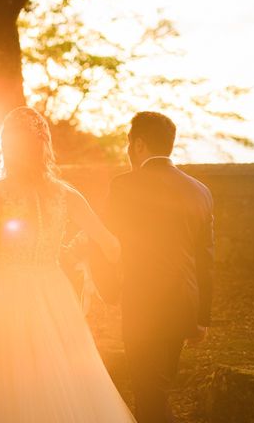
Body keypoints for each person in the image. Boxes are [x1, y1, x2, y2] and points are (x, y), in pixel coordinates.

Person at [0, 106, 136, 423]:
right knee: (65, 375)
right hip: (55, 292)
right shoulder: (66, 194)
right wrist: (82, 255)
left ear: (5, 145)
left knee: (12, 378)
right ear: (44, 146)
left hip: (7, 296)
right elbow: (111, 245)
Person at [104, 111, 214, 422]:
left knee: (147, 390)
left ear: (138, 145)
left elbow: (109, 242)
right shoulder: (200, 190)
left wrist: (108, 291)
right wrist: (201, 317)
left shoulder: (124, 186)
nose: (127, 151)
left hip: (142, 305)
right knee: (160, 386)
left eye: (128, 144)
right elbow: (206, 259)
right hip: (183, 304)